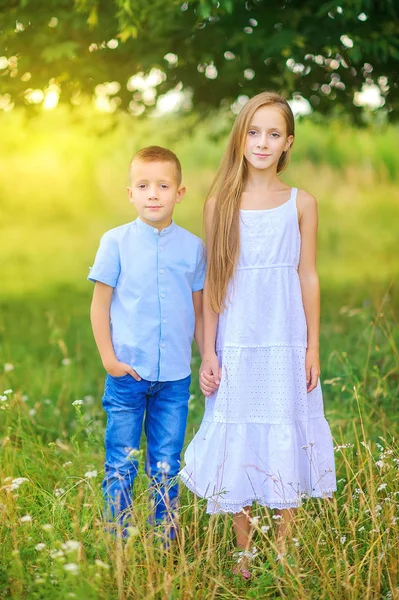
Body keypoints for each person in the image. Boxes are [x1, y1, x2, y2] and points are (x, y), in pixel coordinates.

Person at [179, 91, 336, 576]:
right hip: (238, 339)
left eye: (273, 134)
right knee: (240, 432)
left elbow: (307, 275)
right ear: (240, 137)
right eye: (254, 132)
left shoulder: (301, 203)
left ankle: (284, 551)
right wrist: (208, 354)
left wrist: (312, 346)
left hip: (285, 335)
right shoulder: (219, 205)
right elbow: (213, 287)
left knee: (286, 424)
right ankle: (244, 554)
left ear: (288, 142)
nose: (262, 142)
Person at [88, 146, 205, 539]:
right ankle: (117, 540)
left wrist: (208, 357)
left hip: (174, 377)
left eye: (163, 185)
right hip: (127, 373)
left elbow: (200, 311)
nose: (153, 193)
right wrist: (109, 360)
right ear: (130, 193)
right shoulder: (115, 241)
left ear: (179, 192)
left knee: (167, 462)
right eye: (144, 185)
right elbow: (100, 305)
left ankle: (163, 539)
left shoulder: (193, 248)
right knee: (121, 462)